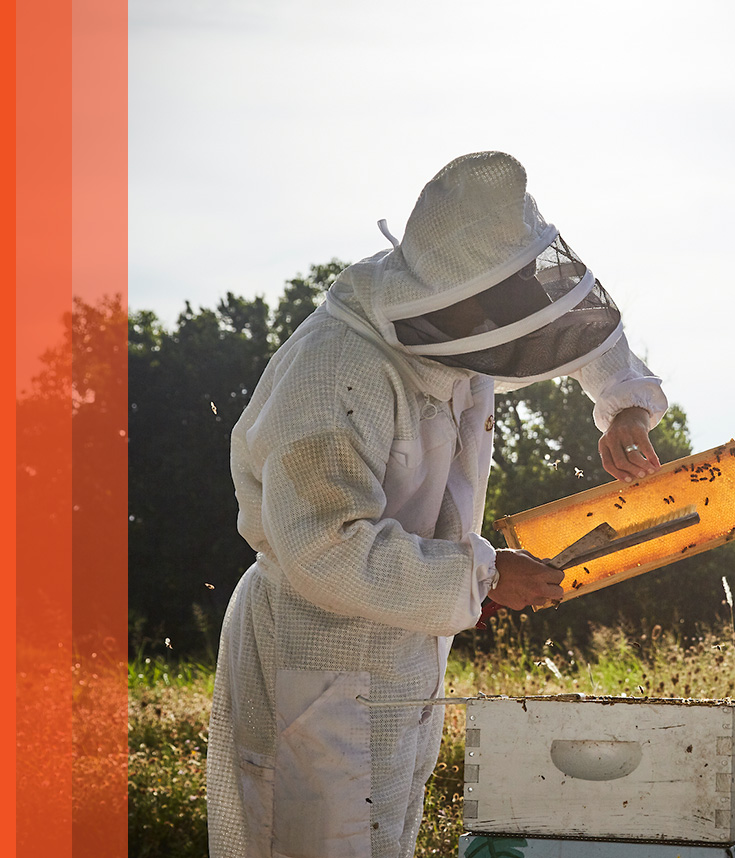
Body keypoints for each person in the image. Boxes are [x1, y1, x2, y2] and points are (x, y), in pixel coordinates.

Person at [207, 151, 668, 858]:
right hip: (317, 650)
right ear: (454, 299)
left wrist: (625, 407)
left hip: (403, 640)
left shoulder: (465, 315)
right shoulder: (337, 373)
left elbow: (574, 325)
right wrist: (483, 576)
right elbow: (324, 547)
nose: (518, 322)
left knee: (386, 834)